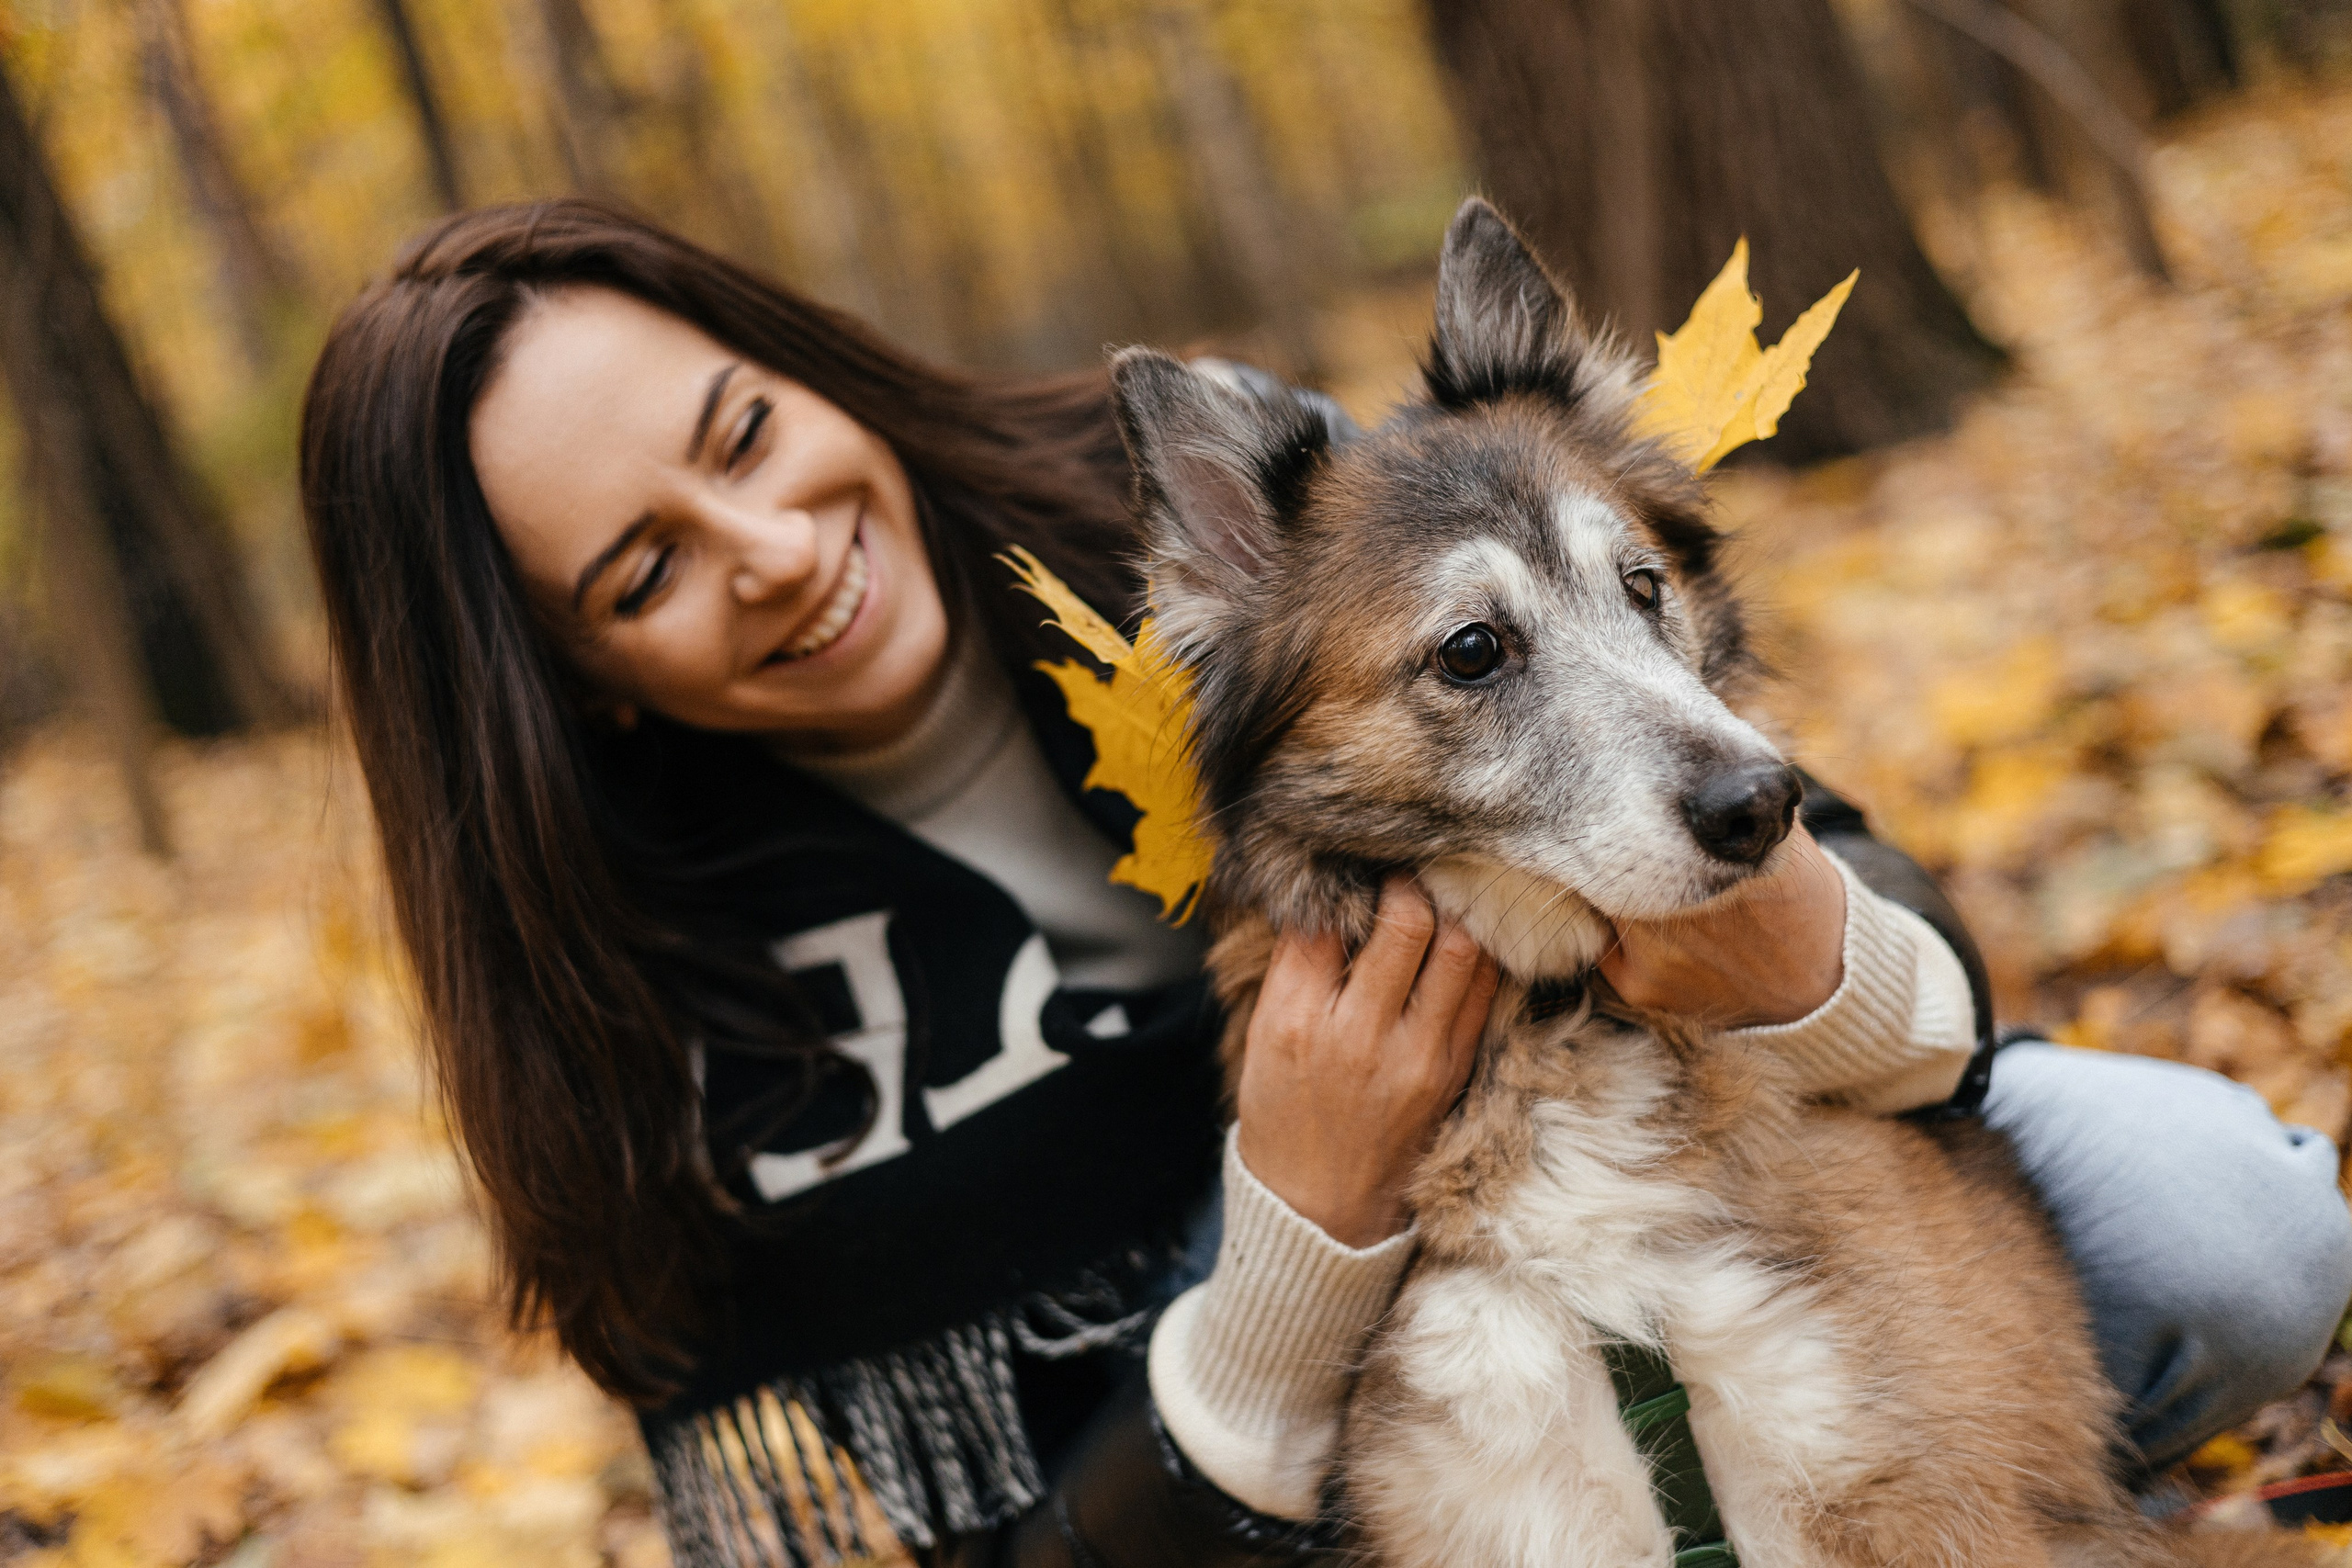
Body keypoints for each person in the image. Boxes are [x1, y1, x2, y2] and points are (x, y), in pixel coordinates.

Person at [299, 200, 2351, 1567]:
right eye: (644, 568)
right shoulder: (665, 1020)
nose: (772, 547)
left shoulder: (1213, 502)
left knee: (2217, 1219)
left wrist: (1814, 951)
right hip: (1214, 1449)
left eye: (745, 432)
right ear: (563, 680)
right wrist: (1288, 1235)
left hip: (1640, 1140)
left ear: (799, 365)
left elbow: (1736, 783)